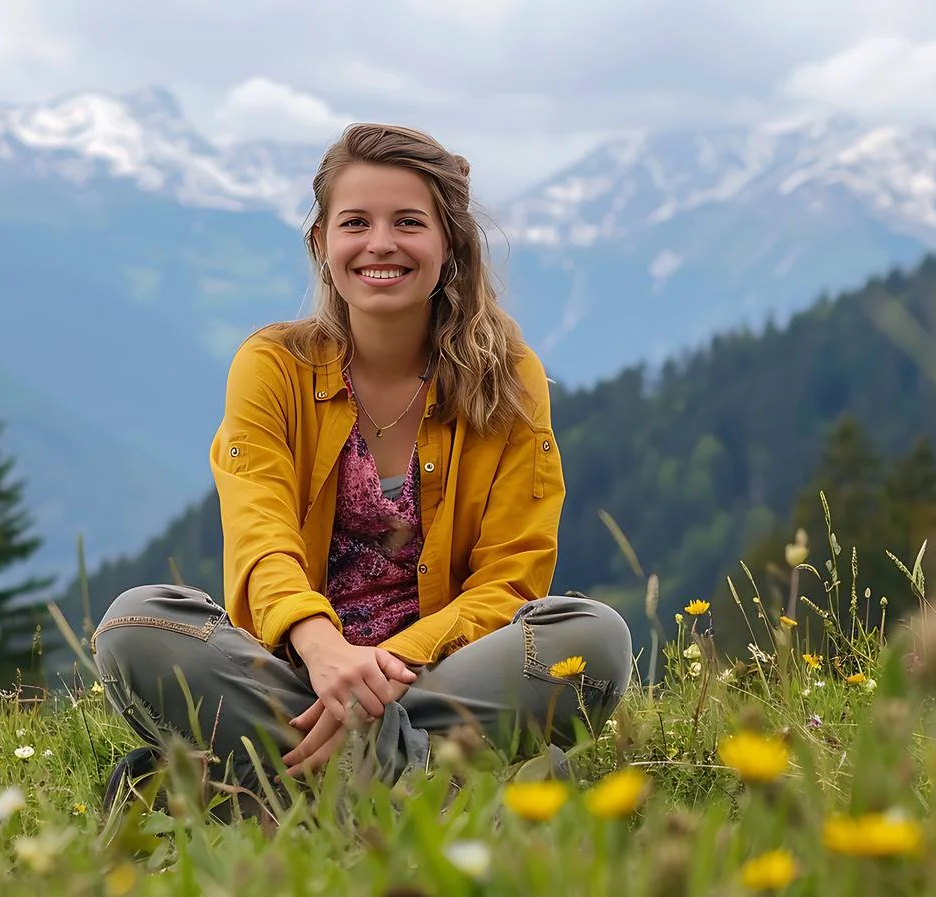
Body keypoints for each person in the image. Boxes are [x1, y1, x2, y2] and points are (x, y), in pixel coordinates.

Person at [91, 122, 633, 814]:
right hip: (293, 674)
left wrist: (375, 677)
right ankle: (436, 800)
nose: (381, 243)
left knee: (593, 640)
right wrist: (323, 651)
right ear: (322, 242)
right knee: (135, 625)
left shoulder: (509, 376)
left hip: (441, 673)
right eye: (356, 222)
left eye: (409, 222)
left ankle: (256, 796)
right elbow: (260, 539)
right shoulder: (272, 367)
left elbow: (510, 578)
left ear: (449, 245)